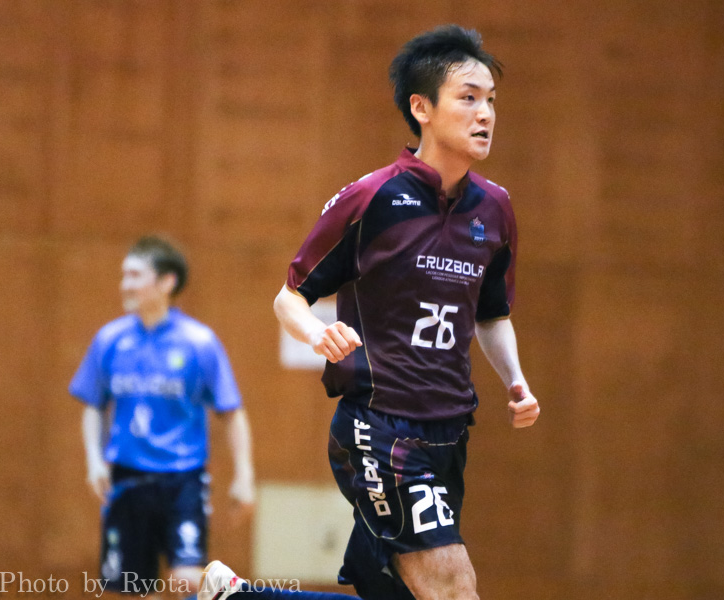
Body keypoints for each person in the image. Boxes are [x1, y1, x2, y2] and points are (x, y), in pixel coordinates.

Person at [198, 24, 540, 600]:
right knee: (454, 589)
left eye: (491, 100)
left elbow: (491, 313)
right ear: (421, 108)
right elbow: (289, 297)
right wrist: (317, 334)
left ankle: (237, 597)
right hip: (379, 427)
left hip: (450, 431)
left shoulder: (496, 209)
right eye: (468, 98)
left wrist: (515, 379)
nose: (485, 114)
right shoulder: (373, 198)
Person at [70, 235, 255, 598]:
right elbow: (93, 404)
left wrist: (244, 475)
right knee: (132, 590)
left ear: (166, 282)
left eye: (135, 275)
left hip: (182, 480)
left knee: (188, 579)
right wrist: (94, 459)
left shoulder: (199, 342)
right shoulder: (110, 339)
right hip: (126, 480)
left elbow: (231, 412)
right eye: (124, 275)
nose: (125, 284)